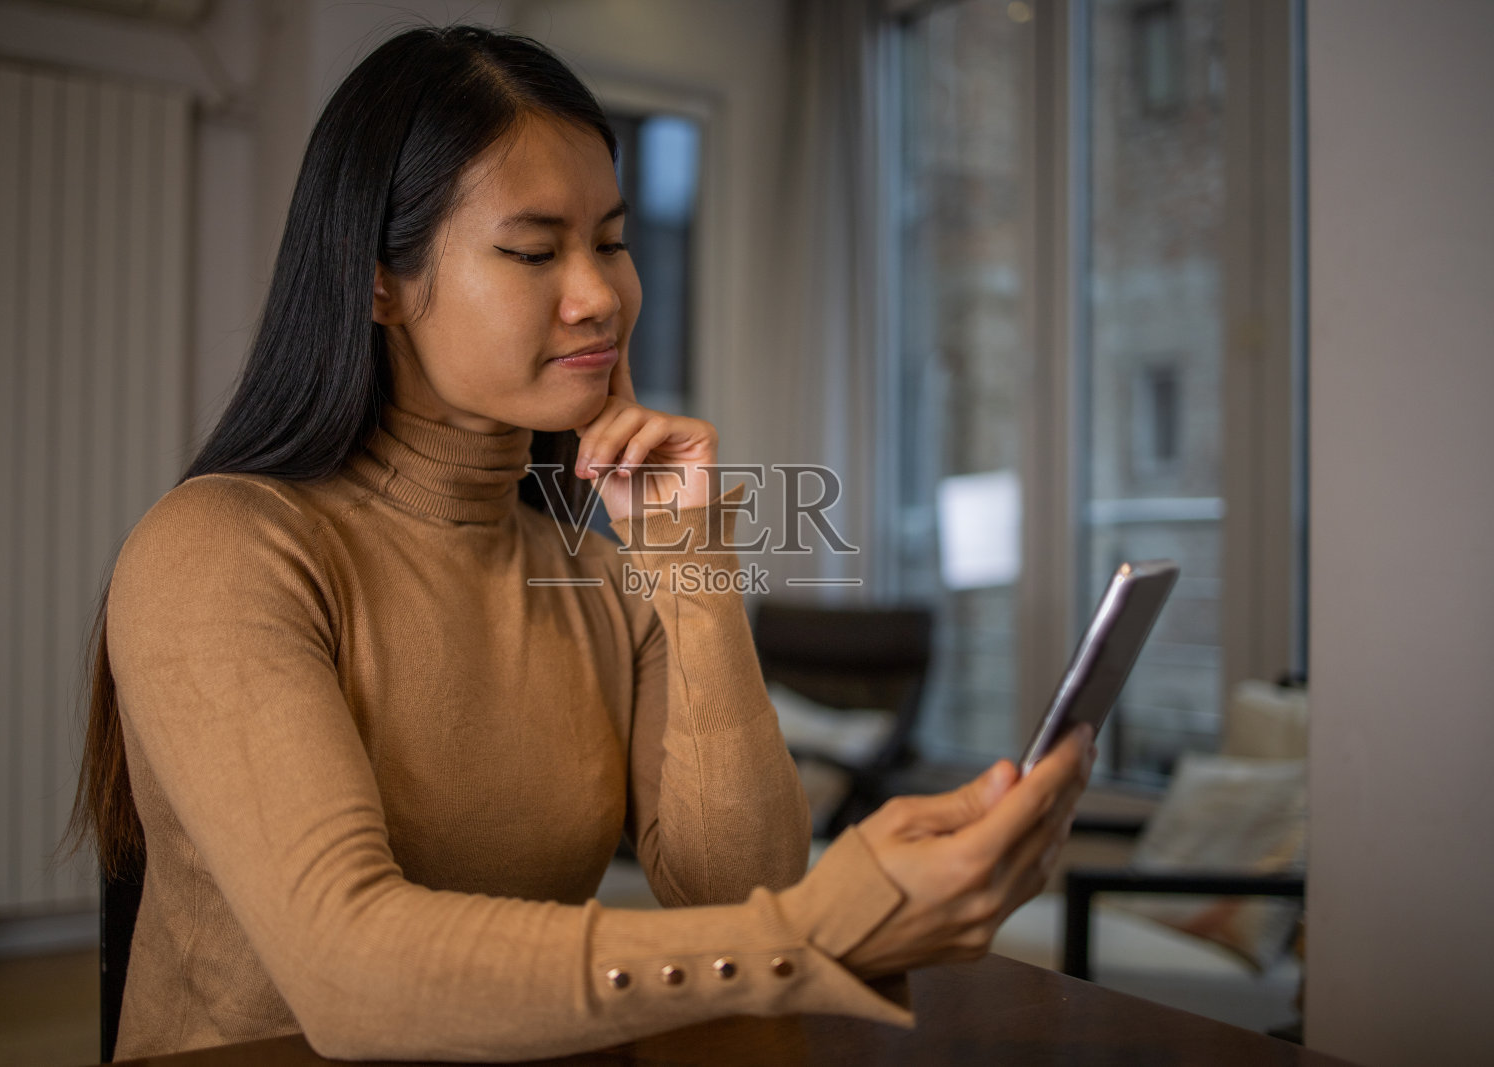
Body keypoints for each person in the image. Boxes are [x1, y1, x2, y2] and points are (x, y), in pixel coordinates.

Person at [69, 25, 1094, 1062]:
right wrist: (826, 925)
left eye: (610, 238)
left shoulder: (597, 572)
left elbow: (740, 894)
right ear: (379, 279)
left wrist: (688, 566)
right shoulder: (222, 547)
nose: (600, 294)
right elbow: (346, 975)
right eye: (532, 248)